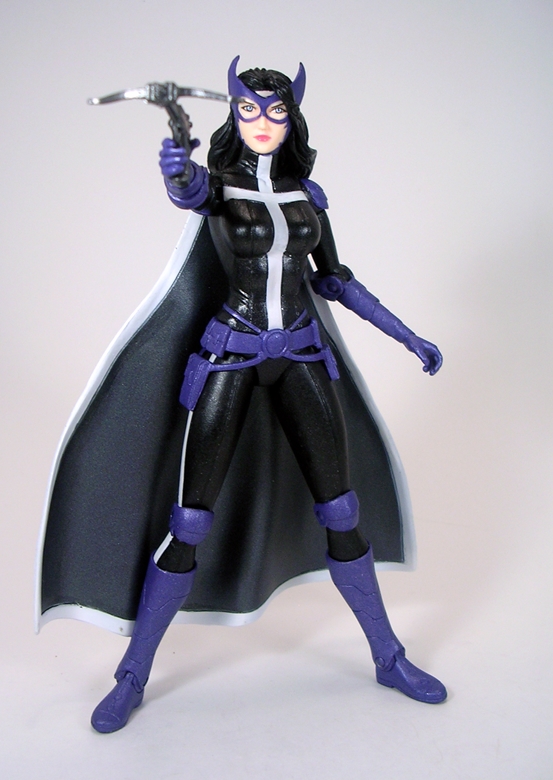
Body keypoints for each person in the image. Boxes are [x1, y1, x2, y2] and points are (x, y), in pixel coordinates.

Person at [83, 57, 447, 733]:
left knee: (341, 510)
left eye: (275, 111)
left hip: (302, 355)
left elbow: (335, 280)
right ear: (233, 112)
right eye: (248, 109)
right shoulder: (219, 187)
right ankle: (132, 675)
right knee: (190, 521)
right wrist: (176, 161)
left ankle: (389, 657)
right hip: (232, 353)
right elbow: (187, 189)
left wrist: (407, 336)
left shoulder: (307, 194)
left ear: (292, 118)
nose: (261, 122)